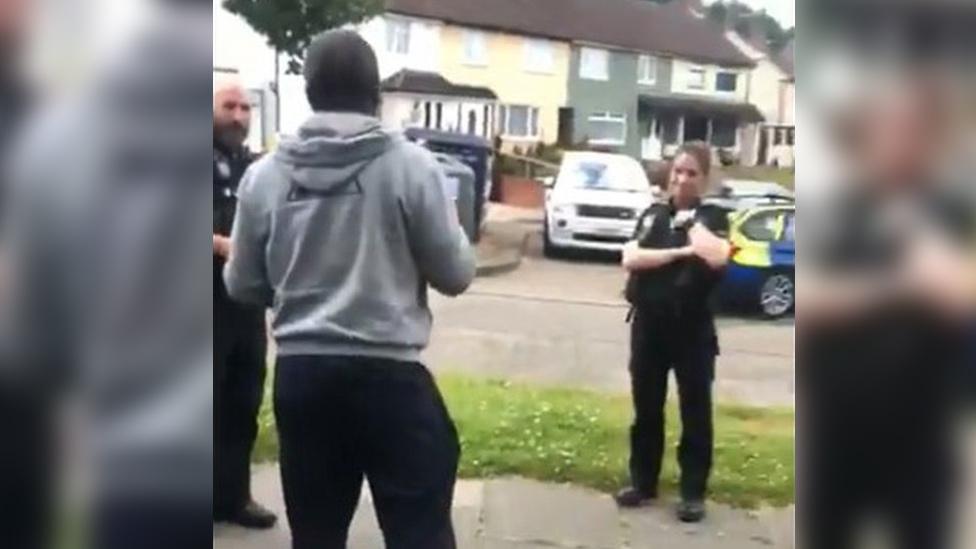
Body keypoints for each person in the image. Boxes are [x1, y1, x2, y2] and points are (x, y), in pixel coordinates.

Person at [223, 29, 476, 548]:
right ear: (374, 92)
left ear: (310, 91)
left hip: (305, 377)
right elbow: (456, 274)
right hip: (390, 377)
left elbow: (243, 284)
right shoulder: (412, 167)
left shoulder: (264, 177)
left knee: (316, 534)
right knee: (420, 532)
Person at [614, 142, 731, 523]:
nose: (681, 179)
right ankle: (643, 482)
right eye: (677, 171)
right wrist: (678, 254)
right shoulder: (653, 215)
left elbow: (715, 254)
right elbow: (631, 257)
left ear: (705, 178)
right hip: (650, 326)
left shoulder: (712, 217)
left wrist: (690, 222)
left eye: (691, 173)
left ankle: (692, 493)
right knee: (646, 407)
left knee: (695, 412)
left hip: (692, 330)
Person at [212, 81, 277, 529]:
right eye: (228, 106)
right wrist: (225, 246)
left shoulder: (253, 167)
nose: (238, 115)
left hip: (245, 304)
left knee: (242, 401)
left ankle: (232, 497)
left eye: (245, 107)